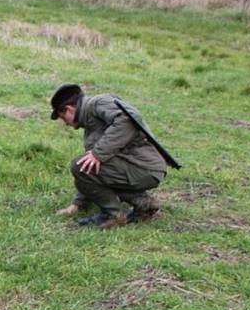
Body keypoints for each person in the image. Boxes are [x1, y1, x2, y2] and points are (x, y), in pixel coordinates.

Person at [51, 84, 176, 227]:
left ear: (69, 109)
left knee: (78, 165)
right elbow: (91, 171)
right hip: (140, 167)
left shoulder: (98, 102)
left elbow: (127, 119)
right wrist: (77, 204)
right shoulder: (90, 125)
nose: (65, 123)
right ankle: (145, 204)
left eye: (62, 117)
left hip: (143, 166)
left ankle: (112, 215)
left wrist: (98, 153)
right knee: (85, 166)